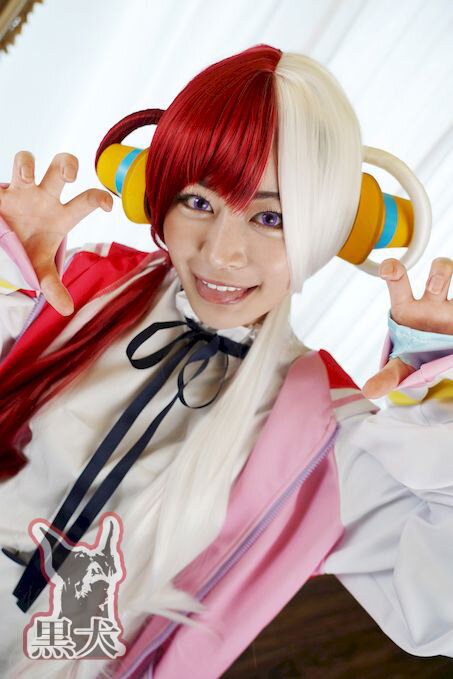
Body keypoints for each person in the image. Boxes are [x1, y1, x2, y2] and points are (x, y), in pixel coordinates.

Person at [0, 44, 451, 679]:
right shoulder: (77, 285)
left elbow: (438, 608)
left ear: (323, 232)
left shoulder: (320, 430)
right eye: (199, 202)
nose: (222, 253)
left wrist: (434, 401)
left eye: (270, 216)